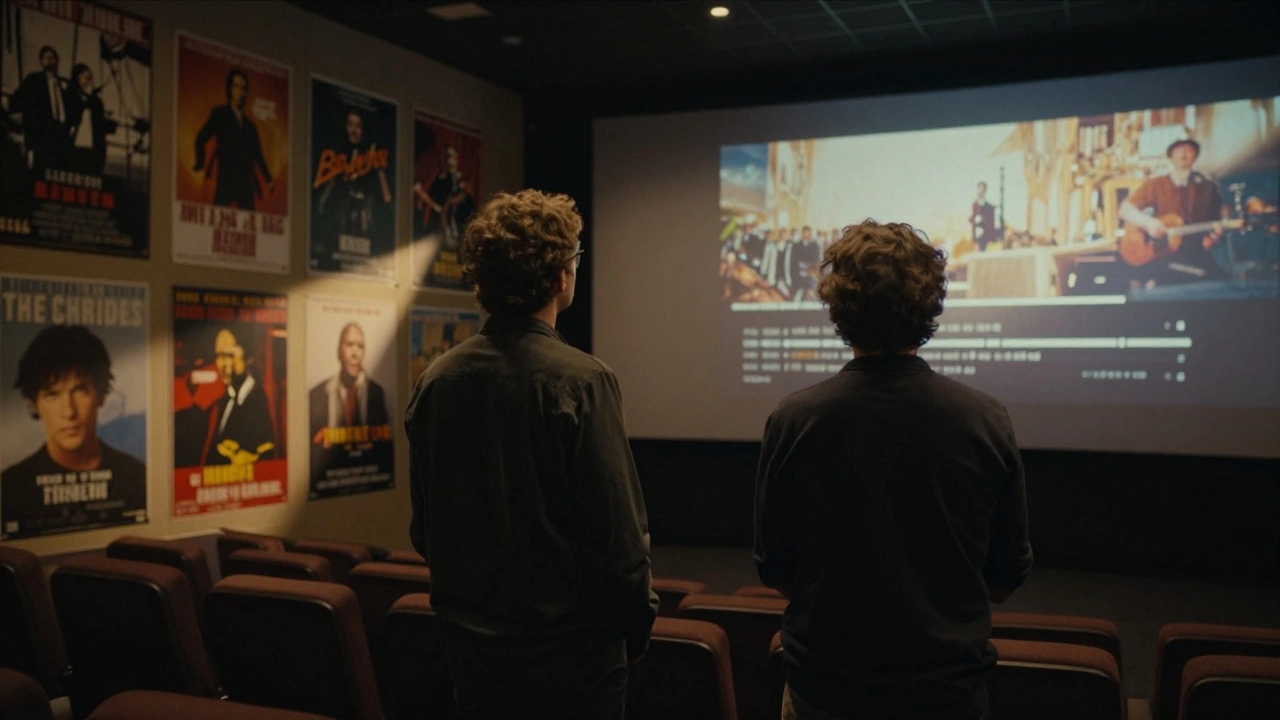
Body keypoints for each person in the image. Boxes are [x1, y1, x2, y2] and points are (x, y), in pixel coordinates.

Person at [755, 220, 1033, 720]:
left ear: (838, 308)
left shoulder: (792, 420)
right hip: (946, 696)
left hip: (824, 692)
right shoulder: (985, 418)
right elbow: (1005, 577)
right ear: (930, 305)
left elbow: (775, 568)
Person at [404, 189, 658, 720]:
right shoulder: (585, 381)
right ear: (561, 276)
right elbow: (620, 549)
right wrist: (635, 630)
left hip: (474, 663)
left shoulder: (435, 381)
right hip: (576, 669)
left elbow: (426, 532)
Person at [1, 325, 146, 538]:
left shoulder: (135, 475)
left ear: (101, 396)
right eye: (52, 395)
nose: (68, 411)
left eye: (80, 390)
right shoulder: (11, 487)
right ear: (34, 404)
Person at [1119, 138, 1227, 285]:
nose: (1183, 155)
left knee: (1222, 283)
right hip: (1162, 257)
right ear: (1171, 156)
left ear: (1195, 156)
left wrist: (1213, 238)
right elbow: (1125, 209)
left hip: (1195, 258)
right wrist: (1149, 223)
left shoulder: (1207, 188)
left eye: (1189, 150)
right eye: (1178, 150)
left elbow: (1214, 226)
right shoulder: (1155, 184)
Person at [309, 322, 391, 484]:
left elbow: (384, 446)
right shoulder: (318, 394)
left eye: (360, 346)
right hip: (330, 477)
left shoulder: (376, 393)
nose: (355, 353)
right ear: (339, 351)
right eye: (349, 345)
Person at [193, 69, 275, 209]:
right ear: (230, 89)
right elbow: (201, 137)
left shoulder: (250, 127)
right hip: (226, 181)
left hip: (245, 185)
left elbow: (257, 154)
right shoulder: (220, 114)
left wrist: (268, 179)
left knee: (250, 226)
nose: (240, 92)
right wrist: (200, 162)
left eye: (243, 88)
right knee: (216, 221)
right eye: (236, 87)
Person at [317, 108, 393, 239]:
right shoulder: (339, 150)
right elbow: (328, 185)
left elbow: (386, 196)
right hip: (342, 217)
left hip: (364, 216)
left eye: (358, 126)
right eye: (350, 124)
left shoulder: (371, 155)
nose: (353, 130)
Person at [207, 327, 275, 465]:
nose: (222, 364)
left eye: (229, 356)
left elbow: (268, 453)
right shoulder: (223, 401)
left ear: (249, 358)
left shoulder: (260, 400)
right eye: (218, 356)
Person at [11, 45, 69, 174]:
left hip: (60, 135)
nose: (49, 60)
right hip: (41, 135)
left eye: (52, 57)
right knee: (39, 172)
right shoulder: (33, 80)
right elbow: (16, 100)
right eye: (46, 58)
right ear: (41, 61)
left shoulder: (63, 84)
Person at [64, 64, 114, 176]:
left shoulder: (96, 102)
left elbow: (100, 125)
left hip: (94, 152)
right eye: (85, 77)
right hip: (73, 150)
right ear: (76, 78)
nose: (89, 81)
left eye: (90, 78)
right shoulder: (68, 96)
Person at [971, 181, 998, 251]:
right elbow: (973, 218)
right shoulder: (974, 204)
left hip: (985, 232)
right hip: (977, 231)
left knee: (983, 249)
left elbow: (991, 220)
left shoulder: (988, 206)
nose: (980, 191)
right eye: (979, 189)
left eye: (982, 189)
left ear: (985, 191)